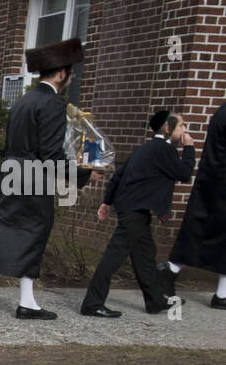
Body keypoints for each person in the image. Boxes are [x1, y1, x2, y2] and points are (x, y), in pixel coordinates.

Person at [0, 37, 93, 319]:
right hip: (33, 179)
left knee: (24, 237)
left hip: (14, 173)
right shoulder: (53, 103)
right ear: (61, 73)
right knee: (22, 240)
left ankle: (27, 301)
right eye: (71, 73)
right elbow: (50, 155)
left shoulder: (25, 100)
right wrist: (81, 174)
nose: (71, 78)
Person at [81, 111, 194, 317]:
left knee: (145, 256)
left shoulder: (144, 149)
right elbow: (185, 174)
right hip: (135, 211)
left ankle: (155, 301)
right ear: (168, 129)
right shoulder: (164, 149)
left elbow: (118, 176)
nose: (185, 130)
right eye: (182, 126)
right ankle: (92, 304)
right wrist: (189, 147)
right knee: (113, 257)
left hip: (135, 209)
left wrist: (107, 202)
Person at [165, 100, 226, 309]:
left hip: (214, 181)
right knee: (205, 235)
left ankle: (171, 270)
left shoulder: (221, 113)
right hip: (220, 184)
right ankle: (170, 270)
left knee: (202, 233)